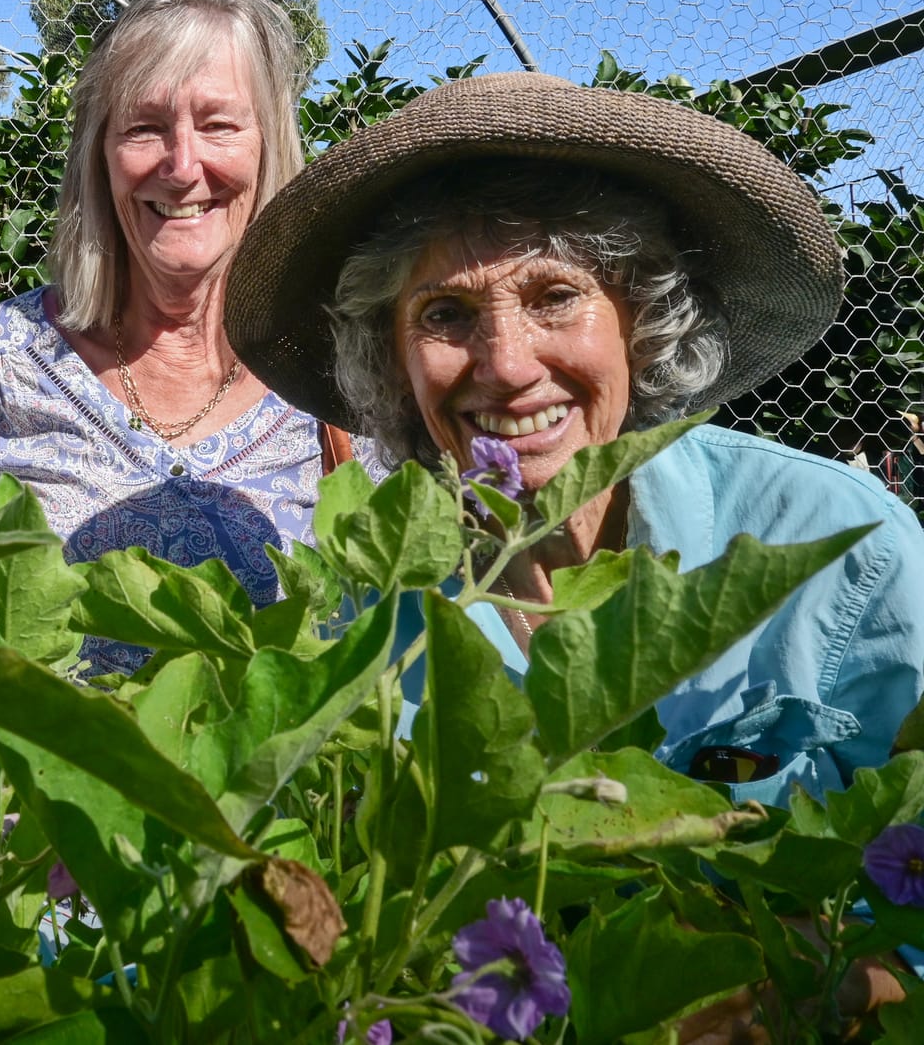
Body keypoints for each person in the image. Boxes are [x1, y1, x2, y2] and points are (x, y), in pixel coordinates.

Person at [224, 70, 924, 806]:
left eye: (555, 296)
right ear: (393, 360)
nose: (507, 366)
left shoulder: (850, 548)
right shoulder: (370, 610)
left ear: (643, 319)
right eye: (444, 313)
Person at [0, 0, 348, 678]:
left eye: (219, 124)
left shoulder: (339, 367)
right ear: (100, 157)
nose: (182, 165)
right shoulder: (3, 358)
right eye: (145, 127)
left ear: (268, 146)